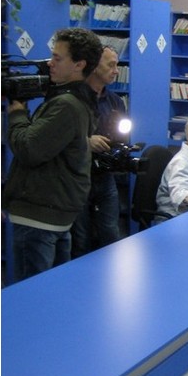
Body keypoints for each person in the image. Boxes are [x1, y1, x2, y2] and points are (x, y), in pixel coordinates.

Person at [3, 27, 102, 282]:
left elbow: (29, 149)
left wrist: (17, 113)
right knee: (50, 292)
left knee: (31, 295)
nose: (50, 63)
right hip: (54, 214)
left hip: (39, 217)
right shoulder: (79, 99)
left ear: (79, 65)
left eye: (58, 58)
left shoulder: (66, 105)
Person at [71, 46, 127, 259]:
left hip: (105, 177)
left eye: (117, 65)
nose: (116, 71)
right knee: (80, 240)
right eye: (111, 65)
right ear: (94, 66)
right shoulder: (73, 100)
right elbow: (58, 139)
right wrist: (87, 142)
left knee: (111, 234)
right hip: (78, 179)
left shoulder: (115, 102)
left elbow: (121, 136)